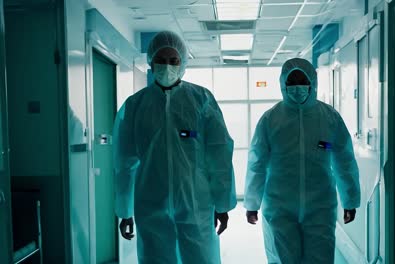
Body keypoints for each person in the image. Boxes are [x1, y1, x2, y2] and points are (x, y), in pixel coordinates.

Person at [113, 30, 237, 264]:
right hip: (151, 204)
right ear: (151, 61)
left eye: (173, 61)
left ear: (183, 62)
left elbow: (219, 154)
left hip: (196, 203)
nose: (167, 66)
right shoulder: (135, 106)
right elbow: (124, 162)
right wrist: (124, 209)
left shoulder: (201, 99)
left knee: (201, 259)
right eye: (161, 60)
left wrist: (222, 204)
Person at [244, 58, 361, 263]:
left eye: (302, 80)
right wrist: (252, 203)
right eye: (291, 81)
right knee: (283, 259)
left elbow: (344, 161)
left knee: (320, 259)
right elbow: (257, 163)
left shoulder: (329, 118)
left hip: (320, 206)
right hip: (279, 206)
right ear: (283, 84)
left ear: (312, 82)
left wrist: (350, 200)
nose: (297, 86)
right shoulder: (270, 119)